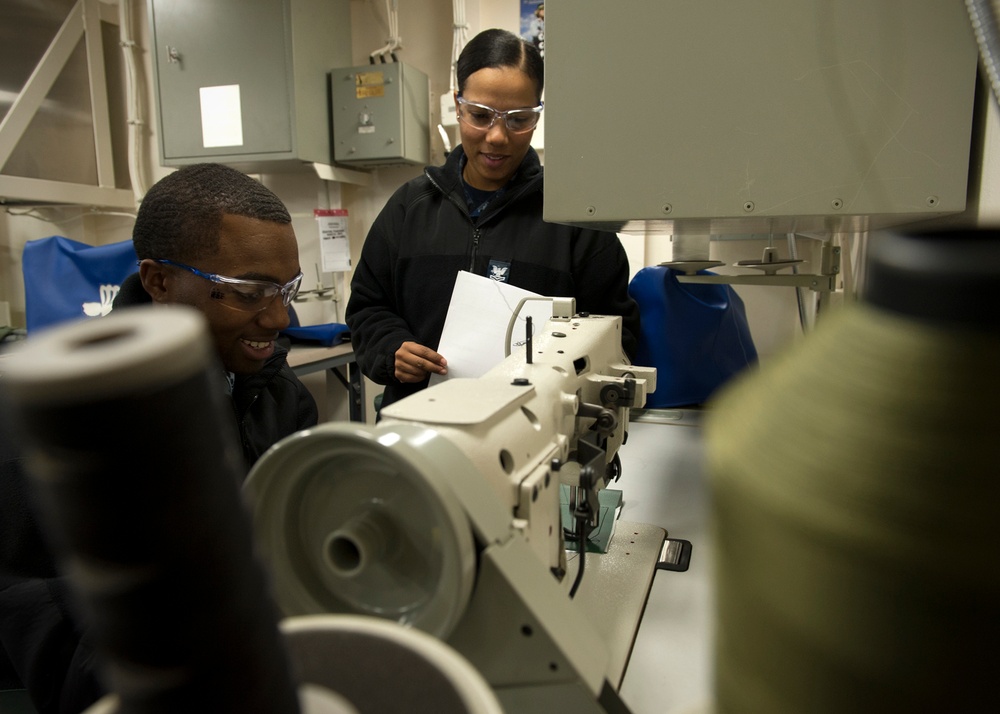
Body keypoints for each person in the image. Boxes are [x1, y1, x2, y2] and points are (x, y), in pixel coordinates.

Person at [0, 162, 318, 714]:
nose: (278, 317)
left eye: (286, 289)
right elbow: (36, 625)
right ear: (158, 281)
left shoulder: (278, 395)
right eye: (249, 292)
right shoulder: (58, 431)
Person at [346, 28, 640, 413]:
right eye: (481, 116)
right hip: (419, 425)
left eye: (519, 120)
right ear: (458, 105)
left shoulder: (574, 222)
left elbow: (617, 335)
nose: (498, 136)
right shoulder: (409, 208)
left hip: (533, 435)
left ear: (538, 113)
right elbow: (369, 307)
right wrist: (392, 349)